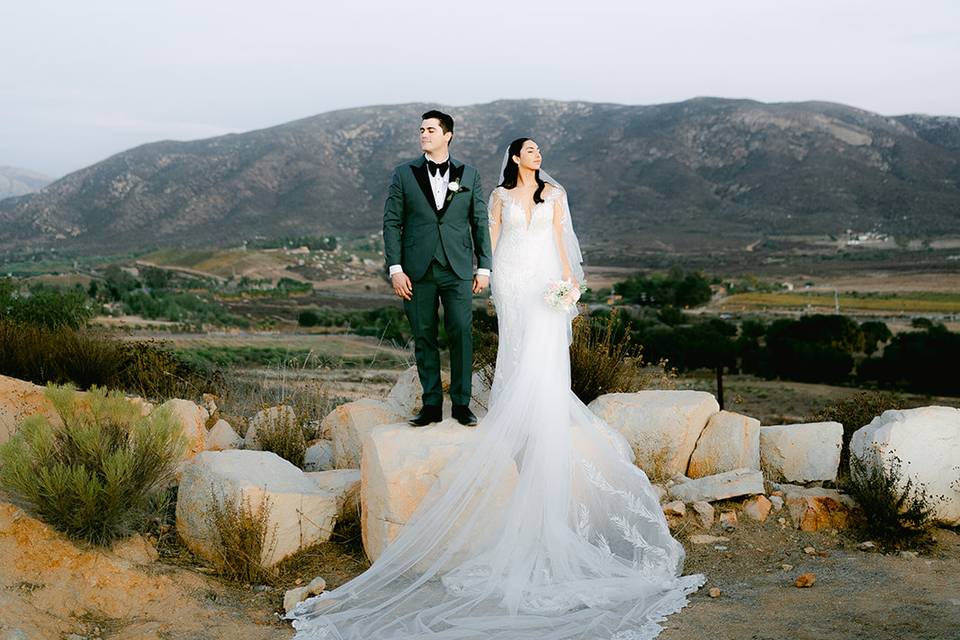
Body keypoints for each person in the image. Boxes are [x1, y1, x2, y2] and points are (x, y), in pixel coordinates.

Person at [289, 137, 705, 640]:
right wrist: (485, 275)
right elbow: (488, 237)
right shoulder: (500, 197)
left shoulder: (555, 193)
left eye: (539, 149)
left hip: (547, 280)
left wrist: (570, 284)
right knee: (515, 350)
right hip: (511, 279)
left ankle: (542, 411)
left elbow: (561, 240)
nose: (537, 154)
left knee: (545, 353)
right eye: (529, 149)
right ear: (514, 157)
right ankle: (514, 411)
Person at [382, 109, 493, 427]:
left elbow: (479, 221)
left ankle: (461, 404)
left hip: (458, 268)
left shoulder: (469, 174)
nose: (423, 134)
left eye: (430, 129)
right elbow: (392, 222)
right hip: (415, 271)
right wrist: (395, 268)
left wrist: (484, 266)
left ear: (448, 135)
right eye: (421, 129)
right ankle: (431, 404)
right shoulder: (403, 174)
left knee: (461, 332)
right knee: (424, 335)